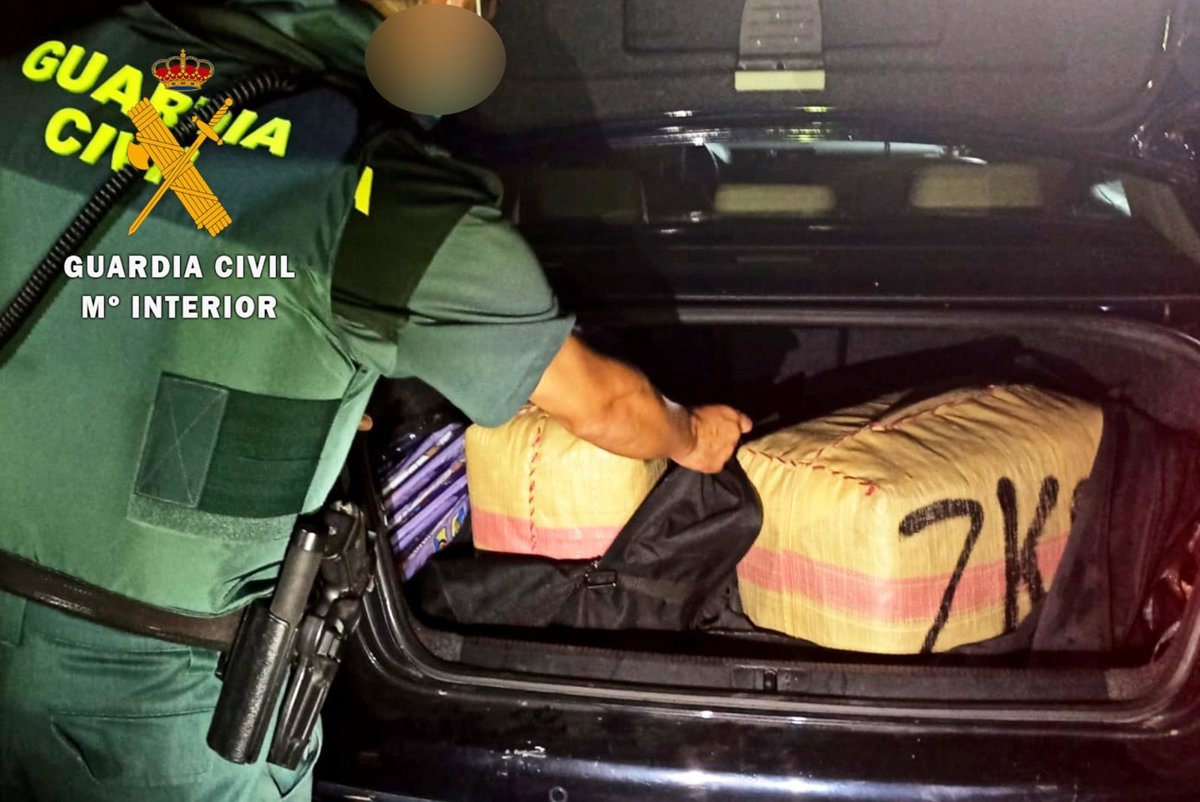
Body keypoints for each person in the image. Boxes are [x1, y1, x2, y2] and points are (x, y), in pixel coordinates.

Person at [0, 0, 751, 800]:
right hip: (156, 707)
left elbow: (131, 302)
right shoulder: (382, 189)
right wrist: (692, 435)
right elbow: (604, 406)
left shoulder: (33, 70)